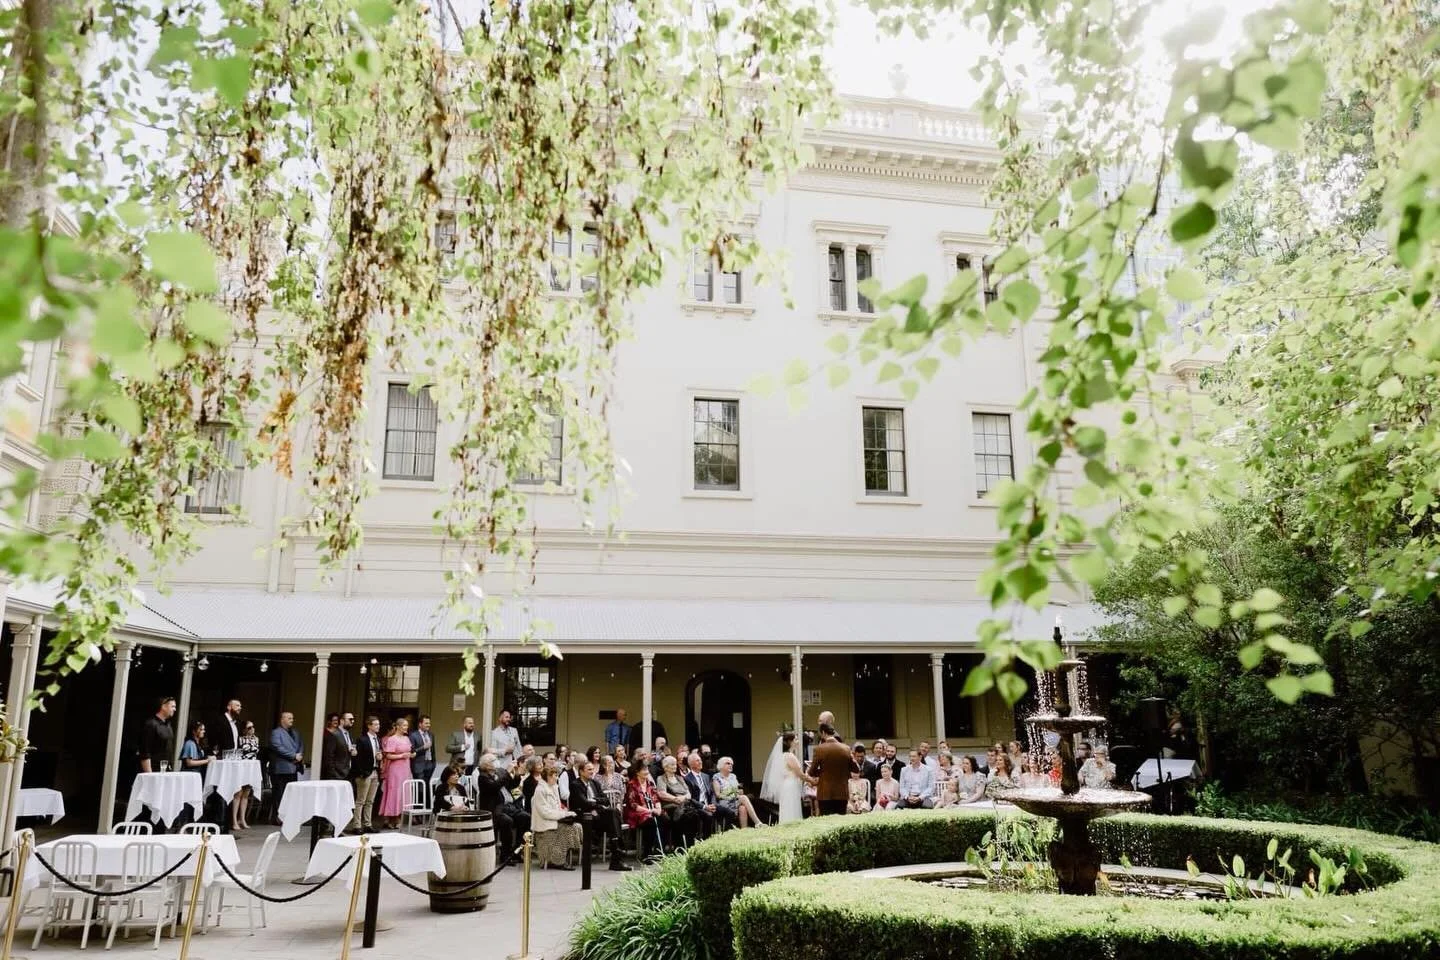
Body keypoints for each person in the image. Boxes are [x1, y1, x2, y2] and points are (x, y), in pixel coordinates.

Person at [571, 760, 632, 871]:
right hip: (585, 816)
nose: (592, 772)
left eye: (592, 769)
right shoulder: (576, 784)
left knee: (613, 813)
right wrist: (596, 803)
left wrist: (594, 801)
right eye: (589, 770)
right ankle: (618, 853)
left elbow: (606, 800)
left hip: (598, 815)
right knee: (612, 815)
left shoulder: (595, 783)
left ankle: (616, 852)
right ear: (581, 771)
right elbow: (583, 803)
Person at [475, 754, 528, 856]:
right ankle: (506, 855)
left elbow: (513, 786)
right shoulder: (482, 777)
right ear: (486, 765)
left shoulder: (500, 772)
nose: (497, 762)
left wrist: (516, 773)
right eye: (494, 760)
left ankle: (516, 851)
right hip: (495, 809)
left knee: (525, 817)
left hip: (509, 806)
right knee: (507, 821)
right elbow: (495, 786)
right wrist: (507, 772)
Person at [531, 764, 581, 870]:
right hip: (544, 824)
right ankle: (558, 861)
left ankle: (562, 857)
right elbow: (545, 812)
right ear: (548, 777)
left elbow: (557, 807)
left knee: (576, 826)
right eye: (554, 775)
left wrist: (566, 813)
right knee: (568, 829)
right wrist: (563, 815)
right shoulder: (540, 790)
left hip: (554, 820)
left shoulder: (554, 787)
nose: (556, 778)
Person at [760, 732, 811, 824]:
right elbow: (800, 774)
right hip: (791, 786)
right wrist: (812, 780)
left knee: (788, 808)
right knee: (792, 808)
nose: (798, 741)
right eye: (795, 739)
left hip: (786, 785)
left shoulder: (782, 756)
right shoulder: (790, 756)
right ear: (789, 742)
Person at [807, 723, 854, 817]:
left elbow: (811, 772)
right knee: (840, 821)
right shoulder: (846, 748)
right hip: (842, 792)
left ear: (823, 732)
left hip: (825, 792)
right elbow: (854, 769)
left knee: (826, 822)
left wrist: (822, 772)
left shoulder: (819, 749)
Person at [623, 764, 667, 861]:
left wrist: (658, 809)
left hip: (651, 811)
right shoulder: (632, 785)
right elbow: (633, 804)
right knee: (650, 821)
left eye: (647, 769)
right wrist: (650, 811)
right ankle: (647, 854)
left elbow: (656, 798)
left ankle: (659, 851)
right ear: (637, 772)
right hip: (637, 813)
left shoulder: (649, 784)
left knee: (664, 819)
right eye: (644, 770)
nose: (647, 772)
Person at [685, 751, 734, 836]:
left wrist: (712, 804)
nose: (700, 762)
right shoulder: (687, 779)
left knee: (730, 812)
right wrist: (704, 807)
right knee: (708, 815)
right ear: (691, 764)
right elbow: (690, 799)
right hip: (697, 807)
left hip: (709, 804)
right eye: (697, 760)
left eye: (700, 760)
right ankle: (706, 839)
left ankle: (726, 835)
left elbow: (711, 793)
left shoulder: (706, 776)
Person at [379, 718, 416, 829]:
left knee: (404, 792)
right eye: (404, 725)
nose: (406, 728)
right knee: (395, 792)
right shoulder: (392, 739)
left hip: (405, 768)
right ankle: (392, 818)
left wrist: (411, 755)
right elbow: (388, 755)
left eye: (407, 725)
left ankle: (400, 816)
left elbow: (409, 752)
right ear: (398, 726)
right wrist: (401, 756)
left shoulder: (407, 738)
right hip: (395, 770)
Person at [655, 756, 700, 846]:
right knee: (685, 818)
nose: (675, 766)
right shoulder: (661, 778)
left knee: (694, 816)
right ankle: (680, 846)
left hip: (685, 805)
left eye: (675, 764)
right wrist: (675, 799)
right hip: (671, 806)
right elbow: (661, 794)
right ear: (666, 767)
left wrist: (682, 799)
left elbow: (688, 794)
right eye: (672, 764)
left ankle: (690, 844)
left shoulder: (680, 778)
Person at [267, 711, 304, 821]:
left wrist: (299, 755)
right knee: (279, 794)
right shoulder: (276, 732)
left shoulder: (295, 732)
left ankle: (289, 817)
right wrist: (293, 755)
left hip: (293, 768)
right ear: (282, 719)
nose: (292, 720)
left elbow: (301, 745)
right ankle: (278, 817)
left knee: (291, 795)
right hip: (280, 768)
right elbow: (277, 747)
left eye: (292, 718)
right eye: (289, 718)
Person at [348, 716, 382, 833]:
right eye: (375, 724)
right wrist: (362, 773)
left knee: (370, 800)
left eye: (378, 724)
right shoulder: (362, 740)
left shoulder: (378, 739)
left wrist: (379, 757)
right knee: (360, 800)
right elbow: (357, 758)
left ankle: (368, 824)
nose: (378, 726)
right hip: (365, 773)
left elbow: (378, 754)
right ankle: (357, 825)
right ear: (369, 726)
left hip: (375, 771)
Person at [712, 756, 762, 828]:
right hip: (723, 803)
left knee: (743, 808)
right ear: (721, 765)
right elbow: (718, 795)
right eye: (728, 763)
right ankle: (757, 822)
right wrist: (733, 793)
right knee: (744, 798)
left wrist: (738, 792)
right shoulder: (716, 777)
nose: (730, 765)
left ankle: (743, 832)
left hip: (734, 801)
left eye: (731, 764)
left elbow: (737, 791)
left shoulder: (733, 776)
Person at [139, 696, 177, 773]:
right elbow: (145, 752)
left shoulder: (168, 725)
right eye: (172, 706)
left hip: (166, 770)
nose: (175, 709)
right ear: (163, 706)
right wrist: (150, 775)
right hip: (154, 770)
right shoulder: (151, 724)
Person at [235, 720, 260, 829]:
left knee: (246, 794)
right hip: (242, 766)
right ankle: (234, 820)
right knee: (238, 794)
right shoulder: (239, 739)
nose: (252, 729)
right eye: (249, 727)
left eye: (253, 727)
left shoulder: (256, 739)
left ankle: (243, 819)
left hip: (251, 767)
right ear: (244, 729)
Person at [321, 713, 352, 781]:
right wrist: (334, 774)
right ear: (329, 721)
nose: (336, 722)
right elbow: (329, 756)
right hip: (335, 774)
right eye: (334, 720)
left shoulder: (347, 734)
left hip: (345, 772)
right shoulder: (332, 734)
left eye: (337, 720)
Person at [410, 715, 436, 788]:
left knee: (427, 787)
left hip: (430, 765)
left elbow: (433, 750)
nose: (428, 725)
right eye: (426, 723)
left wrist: (434, 764)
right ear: (420, 724)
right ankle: (419, 800)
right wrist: (423, 747)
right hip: (418, 766)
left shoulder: (431, 735)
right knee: (420, 788)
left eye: (429, 723)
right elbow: (412, 751)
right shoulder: (413, 735)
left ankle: (426, 800)